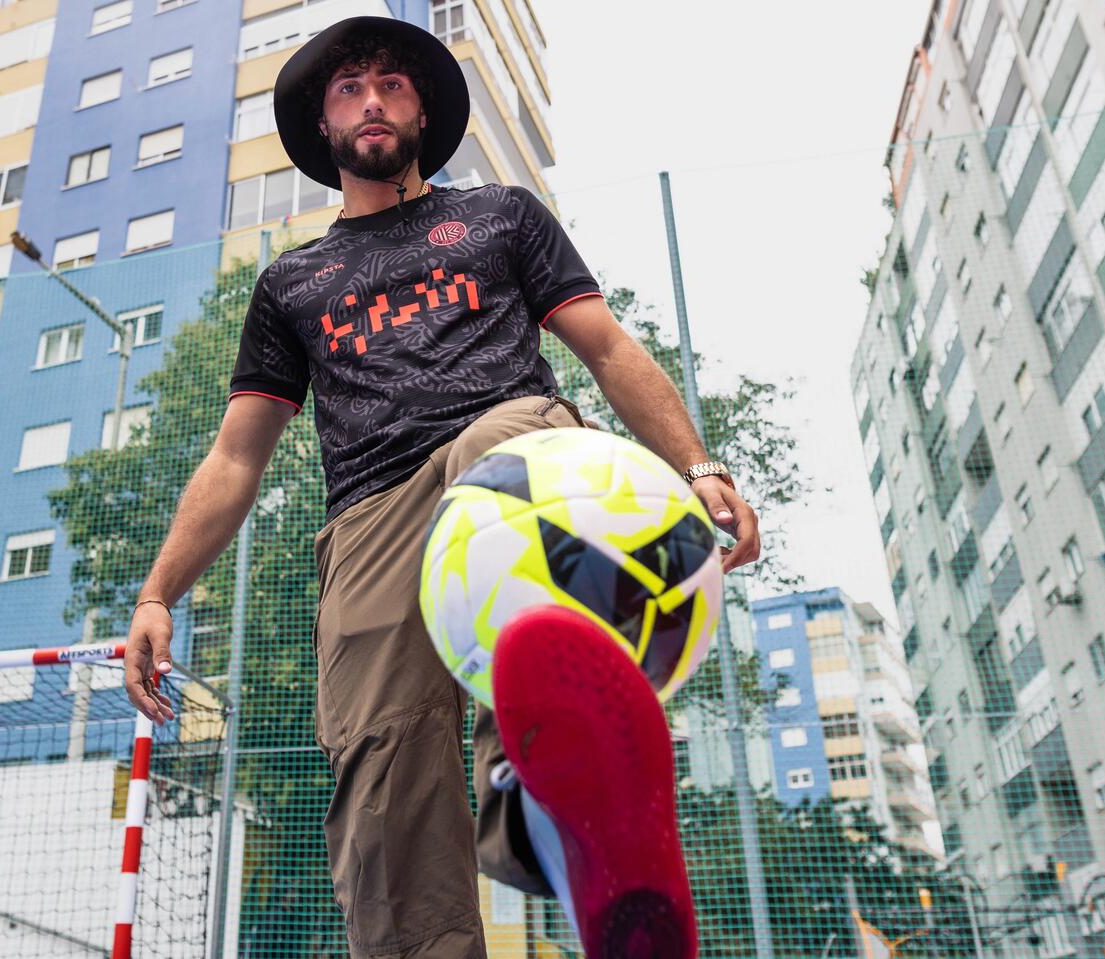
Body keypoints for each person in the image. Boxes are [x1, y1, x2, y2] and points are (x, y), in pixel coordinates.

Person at [121, 16, 761, 958]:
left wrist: (697, 466)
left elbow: (609, 347)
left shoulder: (501, 217)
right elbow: (236, 457)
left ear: (422, 109)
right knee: (380, 782)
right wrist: (157, 591)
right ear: (324, 124)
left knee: (498, 464)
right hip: (372, 515)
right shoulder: (292, 283)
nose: (372, 100)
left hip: (507, 445)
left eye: (391, 84)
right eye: (349, 89)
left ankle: (541, 791)